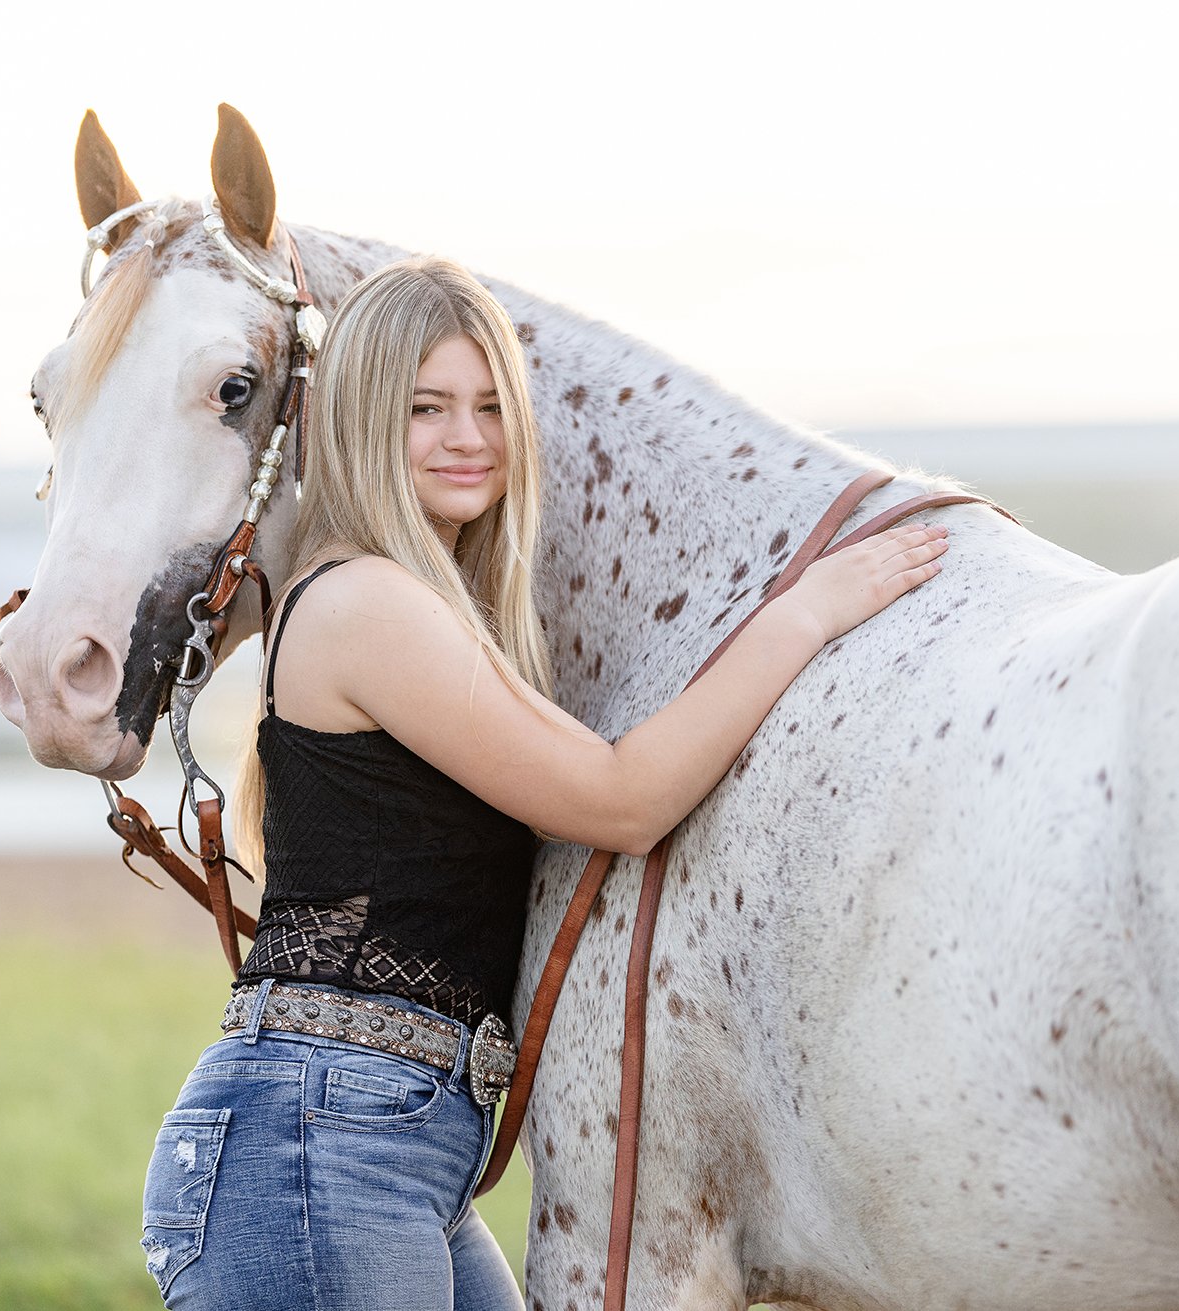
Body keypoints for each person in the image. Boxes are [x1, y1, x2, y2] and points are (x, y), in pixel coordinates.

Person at [138, 256, 949, 1310]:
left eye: (488, 406)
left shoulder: (415, 603)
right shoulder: (366, 603)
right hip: (318, 1142)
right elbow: (621, 801)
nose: (468, 436)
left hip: (374, 1146)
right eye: (425, 407)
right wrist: (802, 611)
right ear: (359, 423)